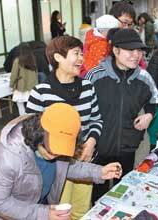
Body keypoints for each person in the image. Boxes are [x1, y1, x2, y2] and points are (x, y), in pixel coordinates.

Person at [0, 102, 122, 220]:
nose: (55, 156)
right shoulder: (7, 157)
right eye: (50, 150)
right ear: (37, 134)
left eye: (60, 151)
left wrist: (99, 172)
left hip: (37, 207)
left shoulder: (56, 149)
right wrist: (43, 214)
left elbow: (67, 167)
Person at [26, 36, 103, 219]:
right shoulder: (41, 91)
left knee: (82, 210)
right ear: (58, 57)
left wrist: (91, 142)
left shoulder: (88, 87)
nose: (81, 59)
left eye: (81, 54)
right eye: (76, 53)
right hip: (55, 163)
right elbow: (29, 130)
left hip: (83, 158)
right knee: (60, 211)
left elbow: (96, 120)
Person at [85, 28, 158, 204]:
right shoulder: (95, 75)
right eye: (130, 50)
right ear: (116, 51)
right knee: (98, 195)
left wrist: (149, 114)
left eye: (139, 50)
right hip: (98, 148)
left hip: (127, 146)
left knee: (124, 192)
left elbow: (154, 99)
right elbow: (82, 108)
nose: (136, 55)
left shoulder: (144, 77)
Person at [10, 43, 38, 116]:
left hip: (21, 86)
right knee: (31, 104)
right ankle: (32, 119)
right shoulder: (33, 59)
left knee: (20, 104)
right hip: (32, 85)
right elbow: (36, 72)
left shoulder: (17, 60)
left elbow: (14, 74)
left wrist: (11, 84)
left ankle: (23, 120)